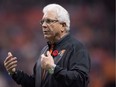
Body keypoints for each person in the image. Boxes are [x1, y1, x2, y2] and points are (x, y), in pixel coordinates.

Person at [4, 3, 91, 87]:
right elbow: (36, 83)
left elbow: (81, 81)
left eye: (49, 21)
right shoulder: (45, 50)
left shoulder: (76, 47)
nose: (44, 25)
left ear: (63, 26)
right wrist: (14, 73)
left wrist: (53, 68)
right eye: (43, 22)